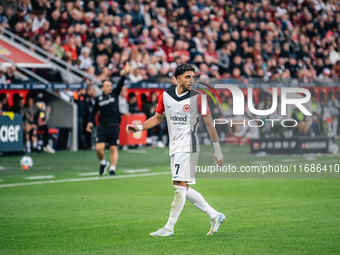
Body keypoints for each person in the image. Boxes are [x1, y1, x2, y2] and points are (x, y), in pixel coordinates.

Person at [126, 64, 225, 237]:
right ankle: (214, 215)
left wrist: (218, 150)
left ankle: (169, 227)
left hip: (189, 146)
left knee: (179, 186)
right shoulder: (166, 96)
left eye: (193, 77)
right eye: (187, 77)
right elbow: (157, 118)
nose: (191, 80)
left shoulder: (199, 97)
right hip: (175, 146)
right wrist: (139, 127)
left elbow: (209, 123)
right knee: (183, 188)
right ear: (177, 78)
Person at [86, 62, 131, 176]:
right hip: (102, 126)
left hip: (114, 125)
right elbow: (94, 112)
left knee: (113, 149)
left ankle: (112, 169)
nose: (110, 87)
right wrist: (89, 123)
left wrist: (125, 73)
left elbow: (121, 83)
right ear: (102, 87)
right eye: (107, 85)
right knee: (99, 149)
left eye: (110, 85)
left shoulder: (115, 94)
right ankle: (103, 163)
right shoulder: (99, 98)